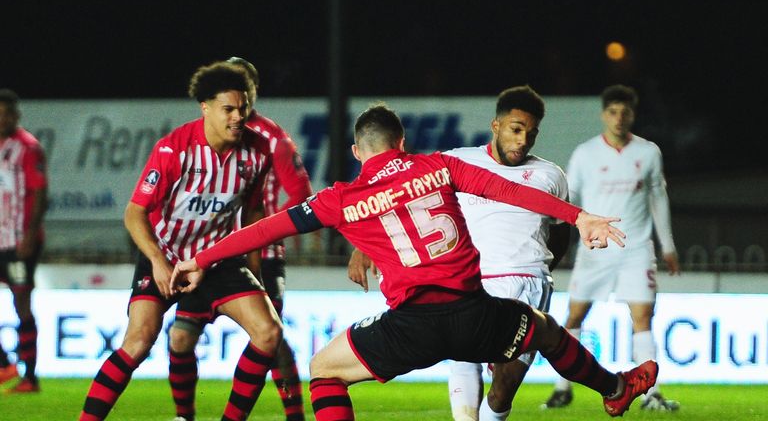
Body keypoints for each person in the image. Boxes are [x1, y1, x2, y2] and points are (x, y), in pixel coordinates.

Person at [172, 103, 659, 420]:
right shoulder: (440, 167)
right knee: (546, 330)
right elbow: (511, 190)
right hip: (475, 313)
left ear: (357, 152)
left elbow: (268, 226)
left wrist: (202, 258)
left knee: (323, 371)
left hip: (411, 325)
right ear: (401, 143)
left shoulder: (341, 198)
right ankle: (614, 388)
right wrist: (580, 217)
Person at [347, 86, 570, 421]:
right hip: (469, 281)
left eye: (531, 133)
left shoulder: (551, 175)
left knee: (504, 386)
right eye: (516, 129)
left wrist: (542, 269)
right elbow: (405, 197)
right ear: (496, 126)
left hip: (528, 281)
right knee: (463, 356)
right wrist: (362, 246)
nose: (523, 140)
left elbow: (561, 234)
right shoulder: (458, 160)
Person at [79, 62, 283, 421]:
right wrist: (158, 261)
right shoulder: (175, 149)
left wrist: (255, 274)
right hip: (168, 256)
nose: (239, 117)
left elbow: (253, 213)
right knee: (139, 342)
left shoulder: (259, 151)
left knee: (268, 332)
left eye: (244, 107)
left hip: (218, 259)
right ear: (205, 107)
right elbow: (134, 213)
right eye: (229, 109)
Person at [165, 57, 312, 421]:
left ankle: (294, 415)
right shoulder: (203, 136)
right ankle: (185, 416)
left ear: (251, 92)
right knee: (180, 337)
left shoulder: (271, 138)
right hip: (209, 257)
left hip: (263, 252)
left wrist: (270, 236)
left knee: (272, 336)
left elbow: (300, 194)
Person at [543, 84, 680, 411]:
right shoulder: (585, 153)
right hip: (596, 249)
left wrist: (669, 244)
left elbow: (658, 197)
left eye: (626, 112)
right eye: (613, 112)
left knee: (642, 316)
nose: (619, 118)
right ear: (604, 115)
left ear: (633, 114)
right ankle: (562, 388)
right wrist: (558, 239)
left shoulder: (648, 152)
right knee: (575, 314)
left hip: (636, 250)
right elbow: (569, 200)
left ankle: (652, 394)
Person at [0, 89, 47, 393]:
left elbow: (41, 193)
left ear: (16, 115)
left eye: (6, 113)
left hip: (19, 241)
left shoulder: (28, 147)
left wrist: (29, 236)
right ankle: (5, 364)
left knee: (21, 303)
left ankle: (29, 377)